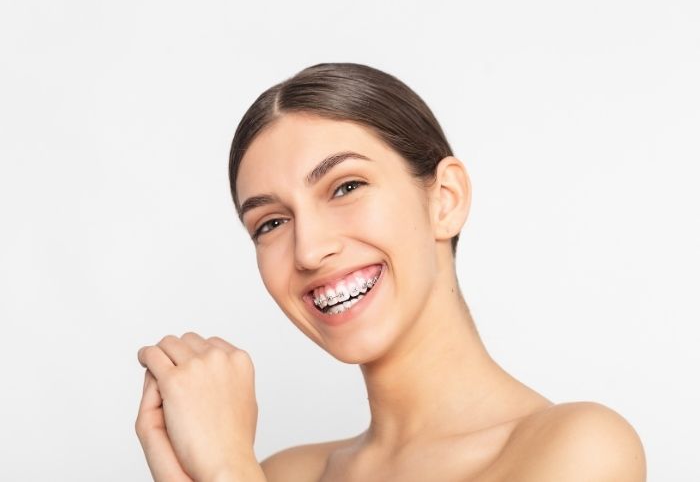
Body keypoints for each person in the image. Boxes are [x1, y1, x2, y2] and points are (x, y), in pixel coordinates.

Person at [135, 63, 646, 481]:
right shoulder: (286, 475)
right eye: (270, 222)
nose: (309, 250)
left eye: (345, 187)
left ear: (445, 200)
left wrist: (227, 470)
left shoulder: (581, 448)